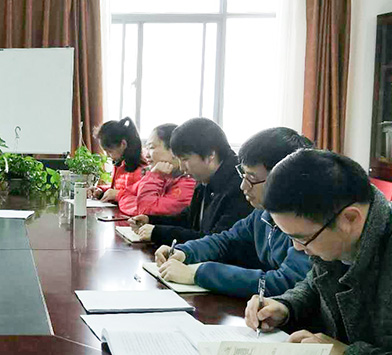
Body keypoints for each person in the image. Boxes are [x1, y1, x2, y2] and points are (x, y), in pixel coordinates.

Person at [244, 149, 392, 355]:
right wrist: (285, 306)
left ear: (349, 218)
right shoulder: (338, 236)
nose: (297, 248)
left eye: (302, 239)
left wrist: (346, 354)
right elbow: (315, 283)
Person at [155, 127, 313, 298]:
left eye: (252, 178)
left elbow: (285, 282)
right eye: (243, 175)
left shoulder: (308, 222)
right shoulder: (261, 213)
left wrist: (198, 273)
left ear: (282, 179)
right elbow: (226, 240)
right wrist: (185, 252)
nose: (243, 186)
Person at [129, 118, 253, 246]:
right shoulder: (206, 177)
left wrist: (158, 233)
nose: (182, 167)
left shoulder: (240, 186)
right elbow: (189, 218)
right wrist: (151, 221)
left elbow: (216, 242)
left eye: (185, 159)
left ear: (210, 155)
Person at [120, 123, 196, 216]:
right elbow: (126, 192)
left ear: (173, 150)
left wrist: (154, 176)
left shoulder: (188, 184)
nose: (146, 155)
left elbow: (146, 211)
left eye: (151, 147)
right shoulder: (165, 175)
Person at [88, 117, 146, 208]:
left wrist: (117, 194)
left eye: (110, 151)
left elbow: (143, 199)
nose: (107, 155)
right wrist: (101, 190)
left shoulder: (142, 169)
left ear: (123, 144)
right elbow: (118, 189)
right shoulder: (120, 164)